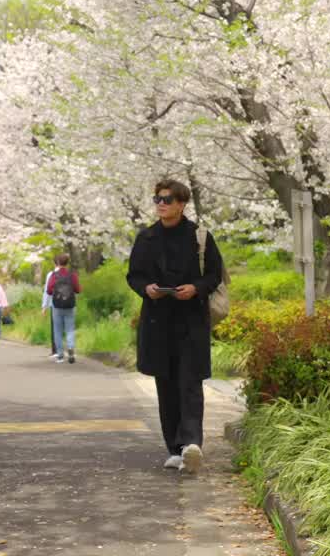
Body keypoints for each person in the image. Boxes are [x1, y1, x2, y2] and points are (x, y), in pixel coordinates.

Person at [126, 178, 223, 476]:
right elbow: (134, 276)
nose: (161, 205)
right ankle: (173, 447)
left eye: (167, 200)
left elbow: (214, 275)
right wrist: (148, 289)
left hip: (191, 320)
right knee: (165, 384)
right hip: (158, 321)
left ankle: (191, 444)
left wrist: (195, 288)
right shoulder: (146, 238)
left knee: (190, 383)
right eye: (158, 199)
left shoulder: (200, 237)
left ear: (182, 204)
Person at [46, 254, 81, 364]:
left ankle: (60, 355)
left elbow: (49, 290)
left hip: (57, 306)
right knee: (70, 329)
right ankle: (70, 348)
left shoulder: (53, 275)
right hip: (70, 305)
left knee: (58, 330)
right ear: (67, 262)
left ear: (57, 262)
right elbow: (78, 289)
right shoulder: (72, 275)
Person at [41, 269, 60, 359]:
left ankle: (56, 351)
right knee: (68, 326)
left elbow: (47, 291)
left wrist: (44, 306)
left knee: (55, 327)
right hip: (68, 304)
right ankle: (70, 348)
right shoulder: (69, 273)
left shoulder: (51, 274)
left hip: (55, 304)